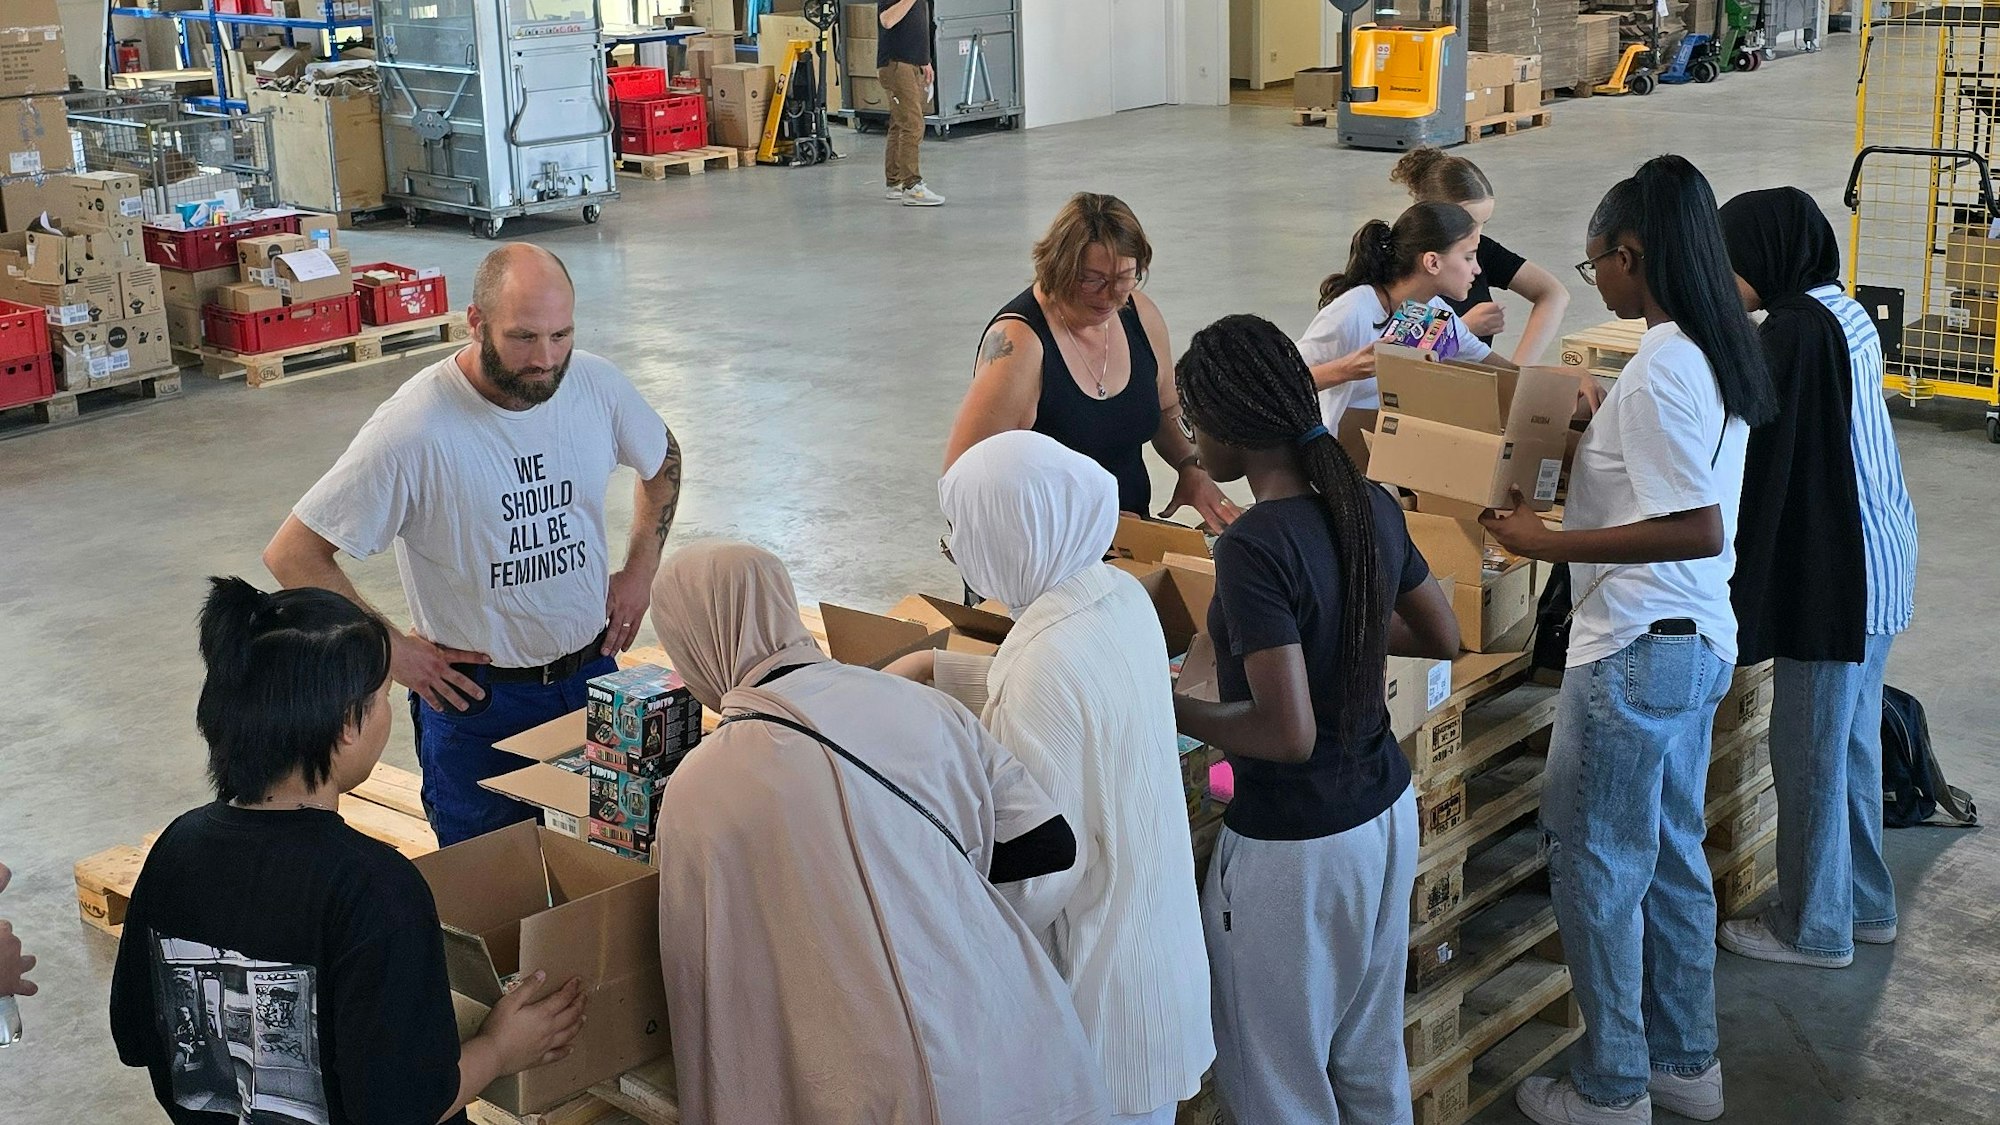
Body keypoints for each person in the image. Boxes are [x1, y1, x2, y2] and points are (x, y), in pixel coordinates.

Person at [1480, 155, 1777, 1125]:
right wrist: (1596, 420)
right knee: (1668, 853)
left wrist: (1545, 541)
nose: (1592, 280)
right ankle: (1685, 1064)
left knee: (1592, 861)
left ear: (1629, 254)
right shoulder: (1707, 348)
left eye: (1594, 263)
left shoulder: (1658, 371)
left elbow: (1694, 522)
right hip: (1696, 643)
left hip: (1636, 648)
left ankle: (1609, 1086)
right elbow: (1676, 473)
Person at [645, 540, 1111, 1125]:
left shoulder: (700, 788)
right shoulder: (922, 704)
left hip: (873, 1090)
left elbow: (708, 994)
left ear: (696, 643)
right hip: (1016, 1042)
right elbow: (1051, 846)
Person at [109, 578, 586, 1125]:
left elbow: (137, 1035)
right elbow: (401, 1108)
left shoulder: (176, 848)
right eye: (383, 696)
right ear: (346, 727)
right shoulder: (376, 887)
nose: (387, 710)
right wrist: (501, 1048)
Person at [263, 244, 683, 847]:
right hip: (480, 709)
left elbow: (664, 458)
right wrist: (392, 652)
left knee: (615, 871)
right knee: (493, 889)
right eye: (523, 338)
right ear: (476, 323)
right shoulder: (415, 427)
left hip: (593, 680)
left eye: (561, 335)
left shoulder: (595, 385)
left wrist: (641, 568)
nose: (546, 359)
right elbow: (293, 553)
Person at [1171, 313, 1461, 1123]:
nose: (1192, 444)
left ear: (1228, 428)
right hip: (1383, 811)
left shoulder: (1253, 546)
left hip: (1297, 847)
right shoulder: (1366, 501)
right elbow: (1444, 634)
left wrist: (1177, 705)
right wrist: (1338, 629)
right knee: (1367, 1057)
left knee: (1279, 1082)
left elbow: (1286, 733)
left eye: (1193, 424)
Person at [908, 430, 1214, 1125]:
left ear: (1014, 534)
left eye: (965, 534)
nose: (960, 552)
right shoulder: (1119, 596)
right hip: (1158, 969)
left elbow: (1040, 873)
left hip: (1095, 1003)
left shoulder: (1039, 666)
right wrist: (936, 671)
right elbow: (1084, 701)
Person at [1714, 187, 1918, 968]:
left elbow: (1764, 450)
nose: (1725, 279)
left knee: (1809, 753)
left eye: (1731, 264)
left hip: (1841, 576)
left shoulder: (1795, 334)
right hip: (1884, 558)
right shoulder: (1843, 310)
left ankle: (1814, 926)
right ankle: (1863, 903)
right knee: (1850, 746)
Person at [948, 192, 1242, 529]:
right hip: (1046, 551)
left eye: (1124, 278)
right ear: (1057, 267)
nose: (1111, 296)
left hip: (1128, 535)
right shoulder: (1020, 346)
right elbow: (963, 481)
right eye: (1093, 280)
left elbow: (1163, 410)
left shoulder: (1138, 315)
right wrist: (1086, 525)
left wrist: (1190, 466)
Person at [1299, 201, 1518, 435]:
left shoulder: (1434, 312)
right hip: (1334, 453)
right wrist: (1349, 368)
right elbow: (1279, 382)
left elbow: (1503, 372)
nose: (1477, 270)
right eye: (1468, 257)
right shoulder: (1352, 311)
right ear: (1432, 262)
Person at [1391, 146, 1572, 364]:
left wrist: (1520, 370)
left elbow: (1553, 293)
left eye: (1483, 224)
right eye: (1467, 224)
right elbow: (1393, 358)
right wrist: (1463, 328)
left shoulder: (1480, 249)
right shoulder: (1399, 263)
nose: (1476, 237)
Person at [879, 0, 942, 206]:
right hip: (897, 64)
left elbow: (915, 26)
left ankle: (895, 181)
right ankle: (912, 186)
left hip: (911, 62)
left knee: (900, 123)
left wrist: (925, 60)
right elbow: (887, 20)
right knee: (913, 125)